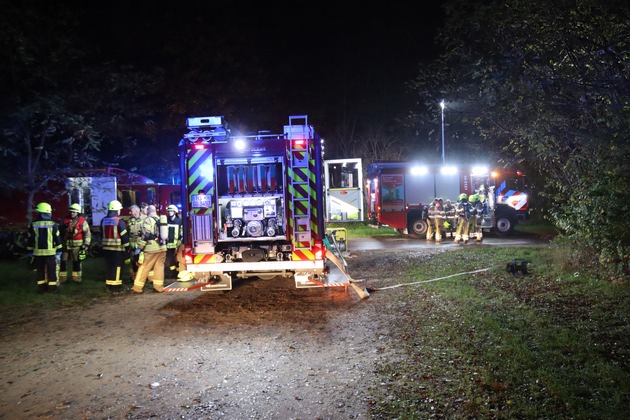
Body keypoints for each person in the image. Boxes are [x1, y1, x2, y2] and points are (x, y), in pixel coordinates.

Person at [27, 202, 62, 293]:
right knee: (51, 270)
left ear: (40, 213)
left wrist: (30, 250)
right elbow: (57, 238)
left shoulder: (33, 224)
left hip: (38, 252)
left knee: (40, 271)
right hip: (50, 252)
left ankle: (41, 288)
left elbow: (30, 238)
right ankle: (52, 289)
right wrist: (59, 250)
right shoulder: (53, 224)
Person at [132, 204, 167, 293]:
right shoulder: (160, 219)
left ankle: (137, 288)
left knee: (144, 267)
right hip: (162, 248)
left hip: (151, 248)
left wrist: (139, 247)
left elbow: (145, 235)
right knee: (159, 267)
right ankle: (158, 287)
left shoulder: (147, 220)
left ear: (148, 212)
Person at [101, 200, 130, 293]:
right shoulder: (119, 221)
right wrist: (127, 248)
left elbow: (101, 234)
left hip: (106, 249)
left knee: (109, 267)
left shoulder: (103, 220)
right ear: (117, 210)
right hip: (117, 249)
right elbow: (124, 236)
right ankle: (116, 287)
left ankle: (109, 285)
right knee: (117, 267)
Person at [59, 203, 91, 283]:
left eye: (74, 212)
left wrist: (86, 244)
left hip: (77, 246)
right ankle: (62, 279)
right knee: (63, 262)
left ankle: (77, 279)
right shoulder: (64, 221)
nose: (72, 213)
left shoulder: (82, 222)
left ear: (78, 212)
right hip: (65, 245)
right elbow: (58, 233)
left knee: (76, 262)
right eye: (71, 211)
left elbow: (87, 234)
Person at [126, 204, 144, 281]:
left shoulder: (144, 219)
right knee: (133, 262)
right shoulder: (130, 220)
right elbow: (127, 232)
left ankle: (142, 276)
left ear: (136, 211)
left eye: (131, 211)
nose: (130, 213)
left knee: (141, 261)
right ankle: (136, 276)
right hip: (132, 245)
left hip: (140, 245)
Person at [164, 204, 182, 279]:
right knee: (170, 260)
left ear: (175, 212)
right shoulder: (166, 221)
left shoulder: (179, 221)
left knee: (178, 259)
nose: (170, 213)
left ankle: (178, 272)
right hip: (168, 245)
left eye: (171, 211)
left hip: (177, 244)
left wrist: (180, 241)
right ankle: (172, 273)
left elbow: (182, 232)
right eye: (169, 211)